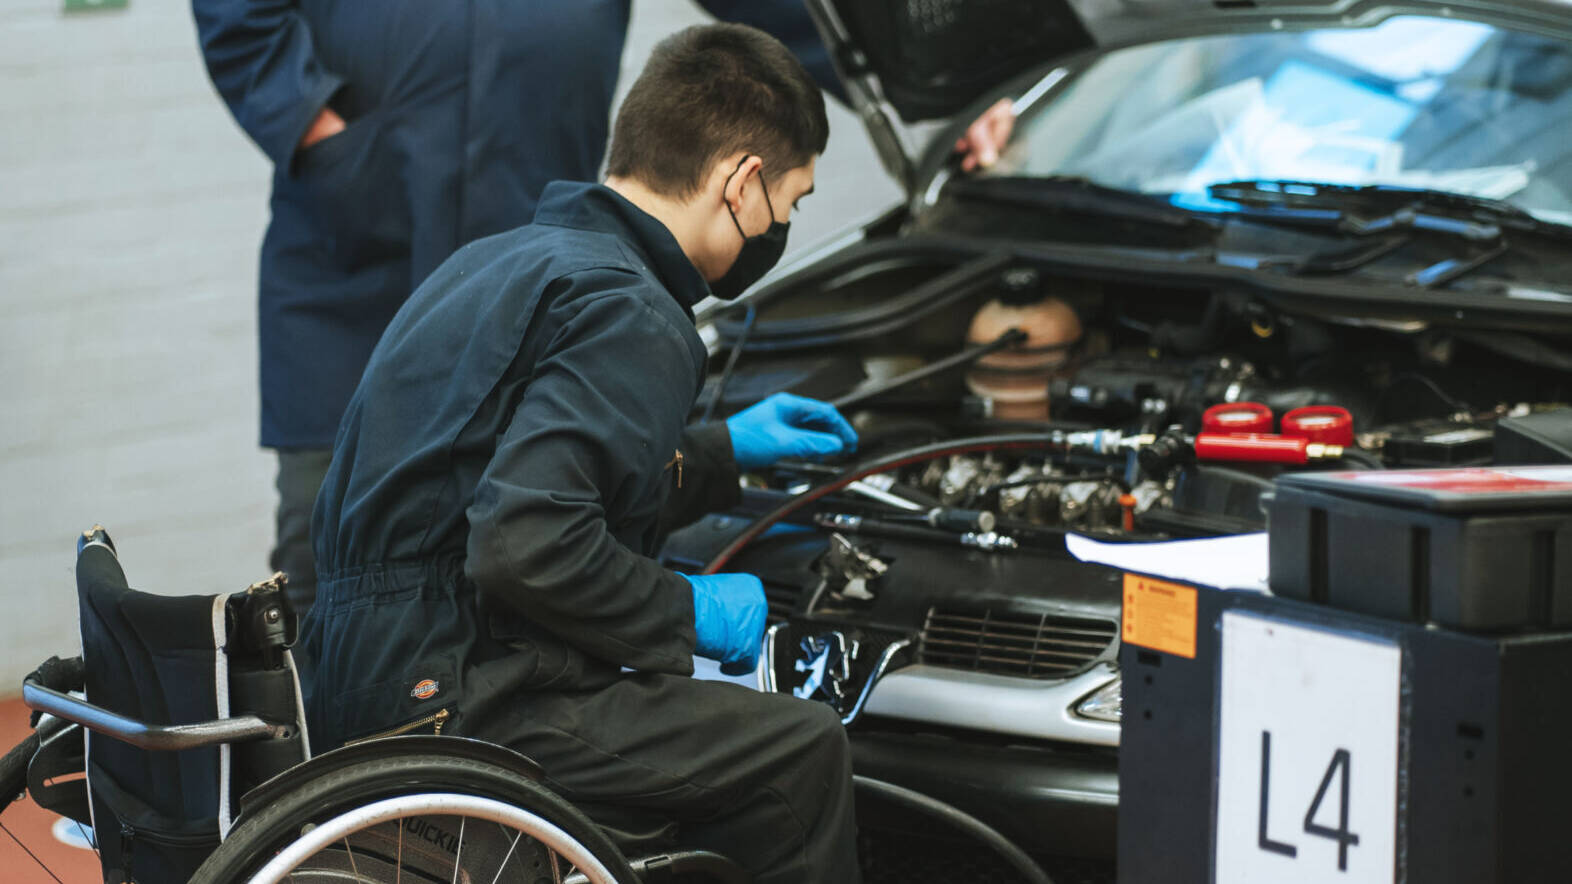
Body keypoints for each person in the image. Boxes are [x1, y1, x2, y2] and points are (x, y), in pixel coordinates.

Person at [302, 24, 863, 883]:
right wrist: (686, 611)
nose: (785, 223)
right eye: (793, 200)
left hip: (352, 676)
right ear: (741, 182)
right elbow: (525, 542)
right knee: (798, 749)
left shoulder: (504, 261)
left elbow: (499, 483)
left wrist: (722, 454)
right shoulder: (633, 309)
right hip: (463, 699)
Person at [190, 0, 852, 618]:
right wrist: (313, 127)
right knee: (325, 570)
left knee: (547, 540)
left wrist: (919, 87)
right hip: (358, 254)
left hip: (540, 255)